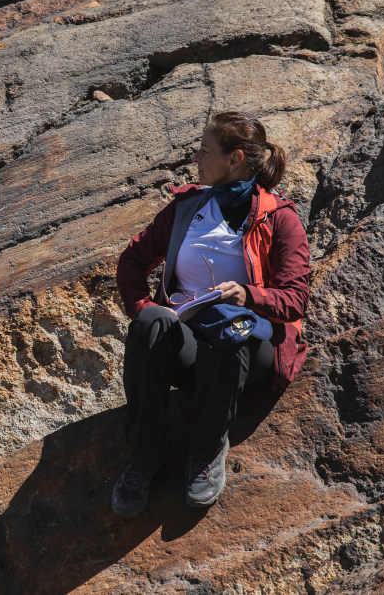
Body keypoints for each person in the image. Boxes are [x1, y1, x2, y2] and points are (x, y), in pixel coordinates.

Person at [110, 111, 309, 518]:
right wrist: (144, 306)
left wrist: (248, 295)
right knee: (151, 323)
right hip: (188, 347)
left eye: (204, 150)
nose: (196, 158)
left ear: (234, 159)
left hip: (247, 350)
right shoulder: (187, 208)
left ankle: (206, 450)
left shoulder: (279, 217)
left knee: (231, 325)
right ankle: (143, 457)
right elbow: (132, 261)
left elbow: (294, 299)